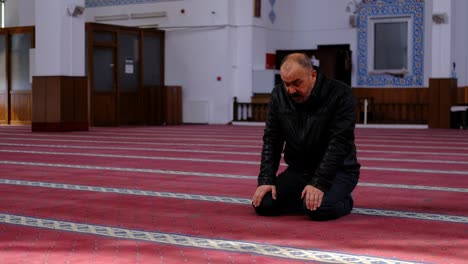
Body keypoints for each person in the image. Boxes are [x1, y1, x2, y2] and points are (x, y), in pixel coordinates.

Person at [251, 53, 361, 221]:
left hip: (339, 171)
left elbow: (339, 142)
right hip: (299, 170)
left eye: (297, 83)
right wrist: (266, 179)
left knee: (318, 209)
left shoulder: (340, 94)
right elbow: (272, 139)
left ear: (313, 75)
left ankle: (345, 200)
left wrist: (319, 183)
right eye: (286, 84)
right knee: (264, 204)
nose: (291, 90)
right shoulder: (279, 95)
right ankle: (304, 198)